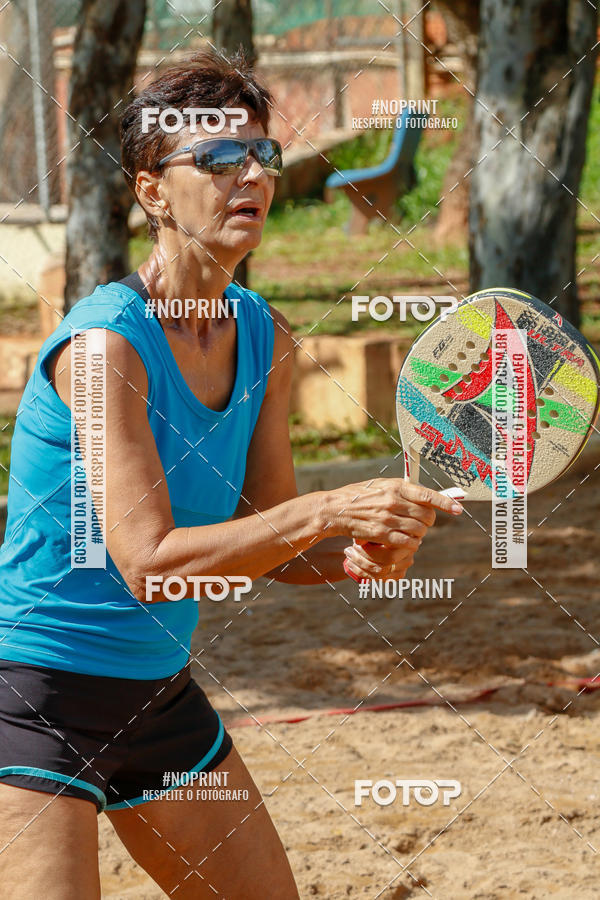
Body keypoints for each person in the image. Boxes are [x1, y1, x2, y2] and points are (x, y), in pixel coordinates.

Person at [0, 50, 463, 899]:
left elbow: (274, 539)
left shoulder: (264, 336)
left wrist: (354, 550)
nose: (251, 174)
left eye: (262, 154)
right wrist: (330, 508)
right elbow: (151, 564)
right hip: (34, 698)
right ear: (151, 191)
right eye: (217, 158)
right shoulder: (104, 349)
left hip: (156, 694)